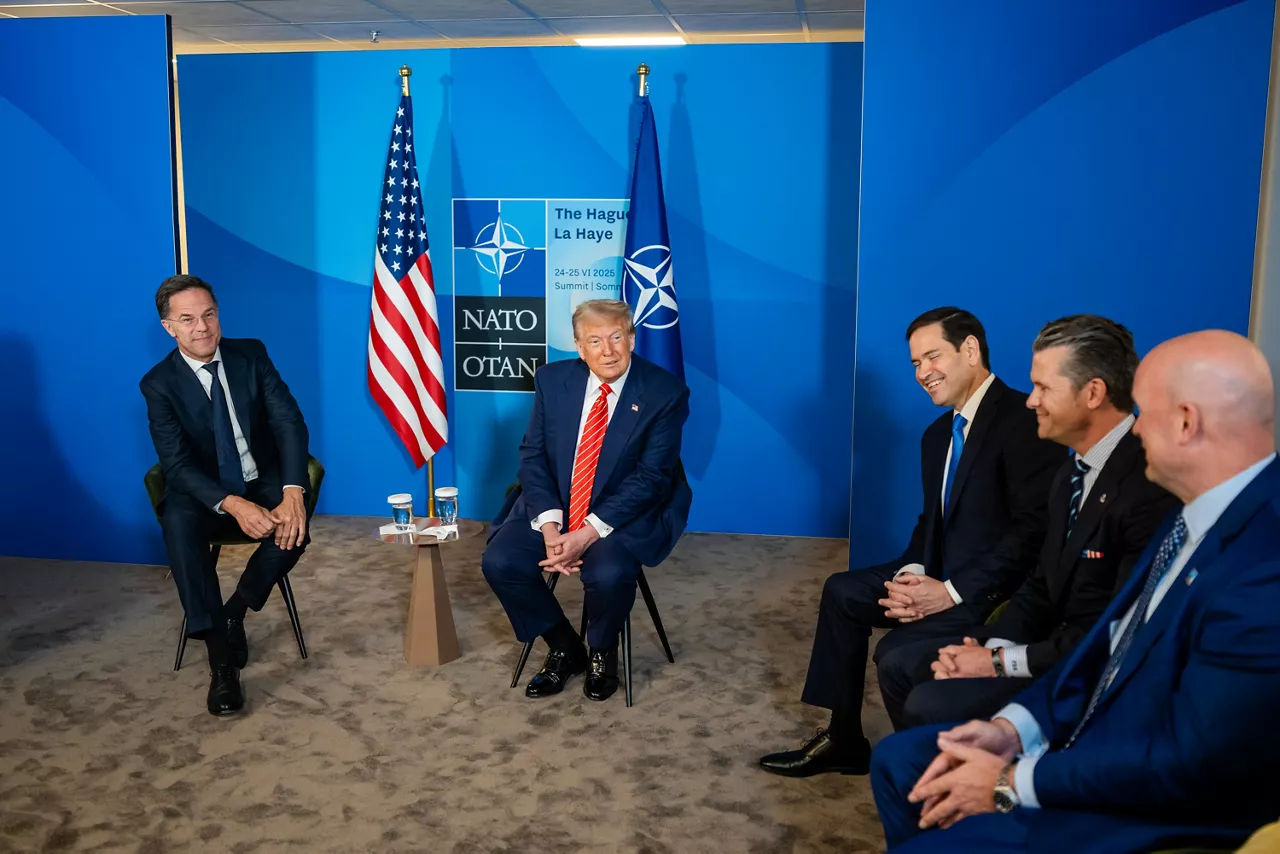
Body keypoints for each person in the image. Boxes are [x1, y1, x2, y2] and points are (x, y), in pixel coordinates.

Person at [871, 330, 1280, 854]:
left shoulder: (1263, 565)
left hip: (1148, 803)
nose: (1136, 428)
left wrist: (1011, 781)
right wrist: (1014, 728)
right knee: (898, 762)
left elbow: (1190, 763)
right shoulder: (1195, 513)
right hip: (1095, 736)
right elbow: (1112, 646)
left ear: (1185, 422)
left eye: (1145, 411)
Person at [760, 307, 1062, 777]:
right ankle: (844, 739)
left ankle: (933, 767)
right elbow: (930, 524)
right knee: (843, 591)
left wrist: (949, 593)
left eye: (932, 357)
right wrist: (912, 576)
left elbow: (1031, 534)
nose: (923, 373)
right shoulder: (937, 435)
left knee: (895, 653)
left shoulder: (1023, 420)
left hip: (992, 591)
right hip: (938, 573)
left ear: (970, 350)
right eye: (916, 363)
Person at [877, 315, 1178, 729]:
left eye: (1044, 388)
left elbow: (1113, 635)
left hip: (1085, 670)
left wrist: (998, 661)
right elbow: (1040, 585)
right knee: (898, 664)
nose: (1032, 401)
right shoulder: (1070, 473)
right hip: (1041, 640)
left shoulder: (1150, 486)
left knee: (927, 702)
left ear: (1093, 393)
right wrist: (992, 646)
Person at [482, 299, 691, 703]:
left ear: (632, 339)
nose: (607, 350)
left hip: (622, 512)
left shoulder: (665, 393)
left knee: (609, 574)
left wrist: (588, 532)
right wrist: (550, 528)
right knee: (501, 561)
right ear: (579, 347)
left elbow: (651, 478)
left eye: (616, 337)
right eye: (595, 341)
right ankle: (564, 646)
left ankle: (602, 651)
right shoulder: (552, 380)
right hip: (556, 505)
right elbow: (533, 455)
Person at [140, 274, 312, 717]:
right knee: (178, 525)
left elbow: (288, 422)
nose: (202, 327)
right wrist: (233, 505)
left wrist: (293, 492)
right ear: (168, 328)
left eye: (209, 314)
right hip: (204, 492)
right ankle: (221, 661)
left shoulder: (251, 354)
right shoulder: (158, 384)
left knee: (295, 522)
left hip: (258, 477)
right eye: (187, 319)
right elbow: (177, 465)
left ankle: (234, 610)